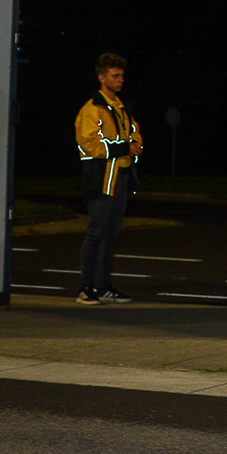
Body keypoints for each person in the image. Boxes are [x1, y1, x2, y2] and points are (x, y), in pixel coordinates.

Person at [74, 52, 142, 305]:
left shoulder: (120, 107)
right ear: (102, 78)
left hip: (120, 178)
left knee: (111, 235)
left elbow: (134, 131)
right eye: (115, 76)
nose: (121, 79)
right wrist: (126, 148)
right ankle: (86, 287)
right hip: (101, 178)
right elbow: (91, 145)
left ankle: (103, 287)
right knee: (96, 233)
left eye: (122, 75)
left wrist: (135, 145)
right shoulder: (93, 109)